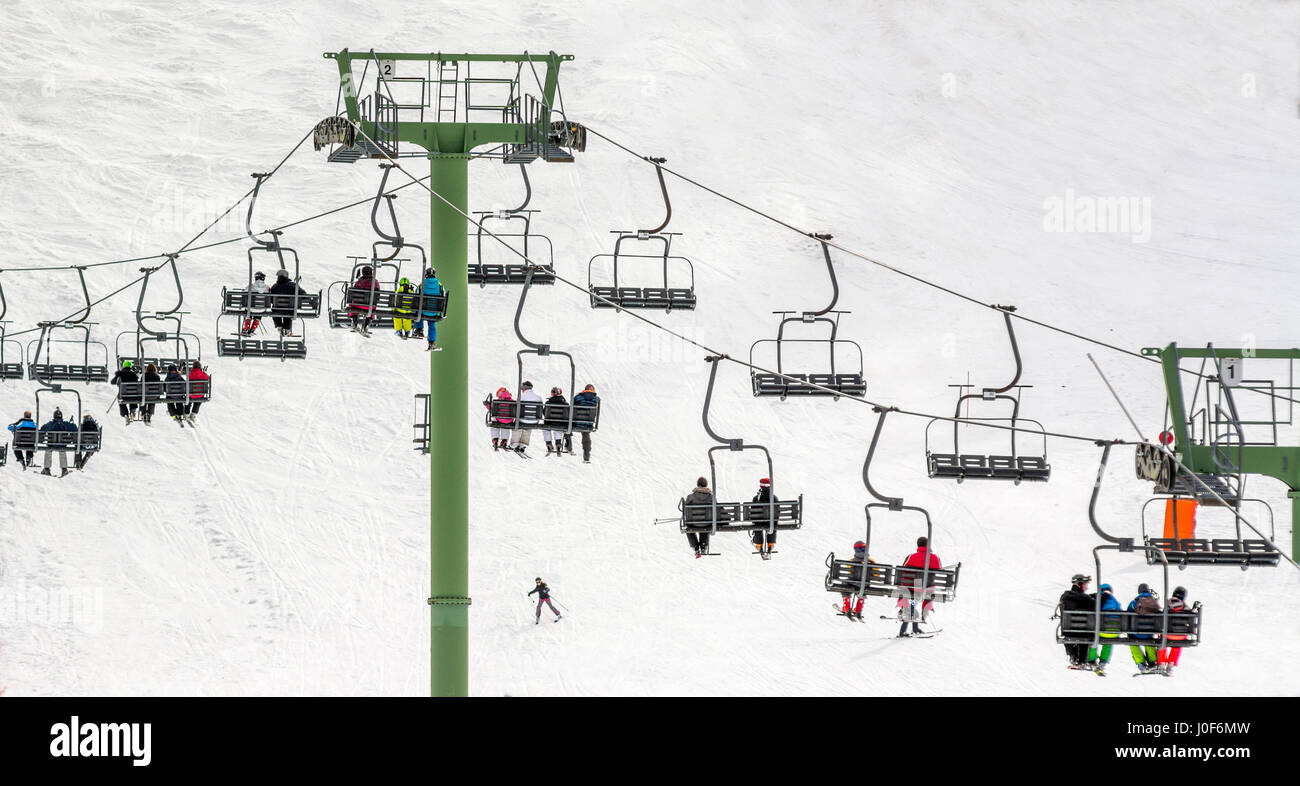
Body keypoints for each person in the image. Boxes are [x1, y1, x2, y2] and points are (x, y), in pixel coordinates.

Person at [897, 536, 942, 637]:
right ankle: (913, 628)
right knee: (913, 603)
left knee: (912, 601)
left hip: (912, 588)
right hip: (927, 588)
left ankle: (908, 629)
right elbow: (939, 569)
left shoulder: (912, 556)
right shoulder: (935, 557)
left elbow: (903, 569)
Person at [1059, 573, 1096, 668]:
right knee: (1086, 631)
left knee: (1069, 632)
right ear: (1079, 584)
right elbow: (1094, 606)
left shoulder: (1064, 596)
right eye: (1084, 584)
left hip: (1068, 631)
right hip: (1084, 632)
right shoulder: (1086, 599)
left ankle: (1073, 657)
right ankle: (1082, 660)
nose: (1086, 587)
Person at [1156, 586, 1193, 676]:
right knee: (1178, 644)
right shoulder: (1185, 606)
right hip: (1180, 636)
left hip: (1167, 634)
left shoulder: (1167, 603)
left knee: (1162, 642)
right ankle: (1171, 664)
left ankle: (1162, 663)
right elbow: (1190, 618)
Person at [1088, 583, 1122, 675]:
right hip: (1114, 632)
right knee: (1108, 642)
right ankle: (1103, 662)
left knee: (1093, 639)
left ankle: (1091, 660)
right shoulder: (1116, 602)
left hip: (1101, 631)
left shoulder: (1099, 599)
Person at [1127, 583, 1162, 674]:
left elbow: (1127, 614)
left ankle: (1141, 664)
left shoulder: (1134, 603)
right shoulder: (1154, 603)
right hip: (1148, 633)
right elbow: (1159, 614)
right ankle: (1152, 662)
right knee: (1149, 640)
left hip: (1135, 633)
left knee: (1132, 641)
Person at [839, 540, 877, 620]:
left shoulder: (851, 561)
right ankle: (858, 609)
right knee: (864, 586)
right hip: (863, 585)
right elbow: (876, 576)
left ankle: (846, 607)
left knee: (844, 584)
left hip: (852, 583)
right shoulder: (872, 561)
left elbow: (848, 572)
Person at [38, 408, 78, 477]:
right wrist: (71, 424)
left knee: (48, 451)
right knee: (62, 451)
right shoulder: (65, 424)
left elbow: (42, 429)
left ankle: (47, 469)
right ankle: (64, 469)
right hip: (62, 445)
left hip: (51, 445)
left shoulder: (50, 424)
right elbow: (75, 428)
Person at [509, 381, 542, 455]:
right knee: (528, 425)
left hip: (522, 420)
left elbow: (516, 409)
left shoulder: (521, 397)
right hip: (533, 421)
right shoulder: (538, 398)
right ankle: (523, 444)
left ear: (524, 388)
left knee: (518, 424)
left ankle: (514, 443)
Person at [268, 269, 304, 337]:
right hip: (289, 310)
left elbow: (271, 300)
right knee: (289, 309)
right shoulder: (293, 285)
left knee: (275, 309)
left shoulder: (274, 286)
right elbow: (303, 294)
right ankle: (287, 329)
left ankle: (279, 326)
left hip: (277, 310)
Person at [749, 477, 778, 559]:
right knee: (772, 524)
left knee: (757, 525)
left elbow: (753, 512)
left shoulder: (756, 498)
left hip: (759, 521)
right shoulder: (774, 498)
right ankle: (770, 546)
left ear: (761, 486)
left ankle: (759, 545)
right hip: (770, 522)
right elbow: (777, 512)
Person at [684, 477, 713, 558]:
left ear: (697, 485)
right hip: (706, 523)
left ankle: (696, 547)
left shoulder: (690, 497)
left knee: (688, 528)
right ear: (706, 485)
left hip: (693, 523)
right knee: (705, 524)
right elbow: (718, 509)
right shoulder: (711, 497)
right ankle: (703, 546)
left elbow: (686, 510)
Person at [572, 384, 600, 464]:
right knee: (585, 434)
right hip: (588, 423)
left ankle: (568, 444)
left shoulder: (578, 397)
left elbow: (573, 405)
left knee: (568, 426)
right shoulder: (595, 399)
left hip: (577, 421)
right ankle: (586, 454)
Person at [348, 266, 379, 335]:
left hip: (359, 305)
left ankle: (355, 322)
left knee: (352, 305)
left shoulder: (359, 282)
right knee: (372, 306)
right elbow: (378, 294)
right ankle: (366, 325)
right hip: (370, 306)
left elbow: (354, 292)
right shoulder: (375, 282)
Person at [419, 267, 444, 351]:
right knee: (431, 324)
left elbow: (416, 293)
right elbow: (443, 295)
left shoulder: (422, 284)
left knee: (418, 314)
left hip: (423, 311)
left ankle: (419, 329)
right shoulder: (439, 285)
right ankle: (431, 342)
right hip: (434, 311)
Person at [110, 359, 140, 424]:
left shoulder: (120, 374)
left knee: (121, 403)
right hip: (133, 395)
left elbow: (112, 382)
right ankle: (132, 412)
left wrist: (117, 375)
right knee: (133, 399)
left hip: (123, 395)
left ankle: (125, 414)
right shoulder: (134, 375)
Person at [542, 386, 568, 456]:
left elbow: (544, 413)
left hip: (549, 423)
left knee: (546, 430)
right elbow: (567, 414)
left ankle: (549, 444)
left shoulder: (548, 402)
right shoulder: (565, 404)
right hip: (560, 424)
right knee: (558, 429)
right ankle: (558, 445)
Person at [242, 271, 270, 335]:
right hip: (262, 309)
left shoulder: (250, 286)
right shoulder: (267, 287)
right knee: (259, 311)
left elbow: (244, 294)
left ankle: (246, 328)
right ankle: (253, 328)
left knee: (248, 310)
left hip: (250, 308)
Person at [486, 387, 513, 451]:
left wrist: (487, 405)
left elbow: (492, 410)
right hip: (509, 420)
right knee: (505, 426)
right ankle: (504, 440)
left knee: (494, 421)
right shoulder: (512, 401)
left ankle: (495, 439)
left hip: (499, 419)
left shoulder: (497, 401)